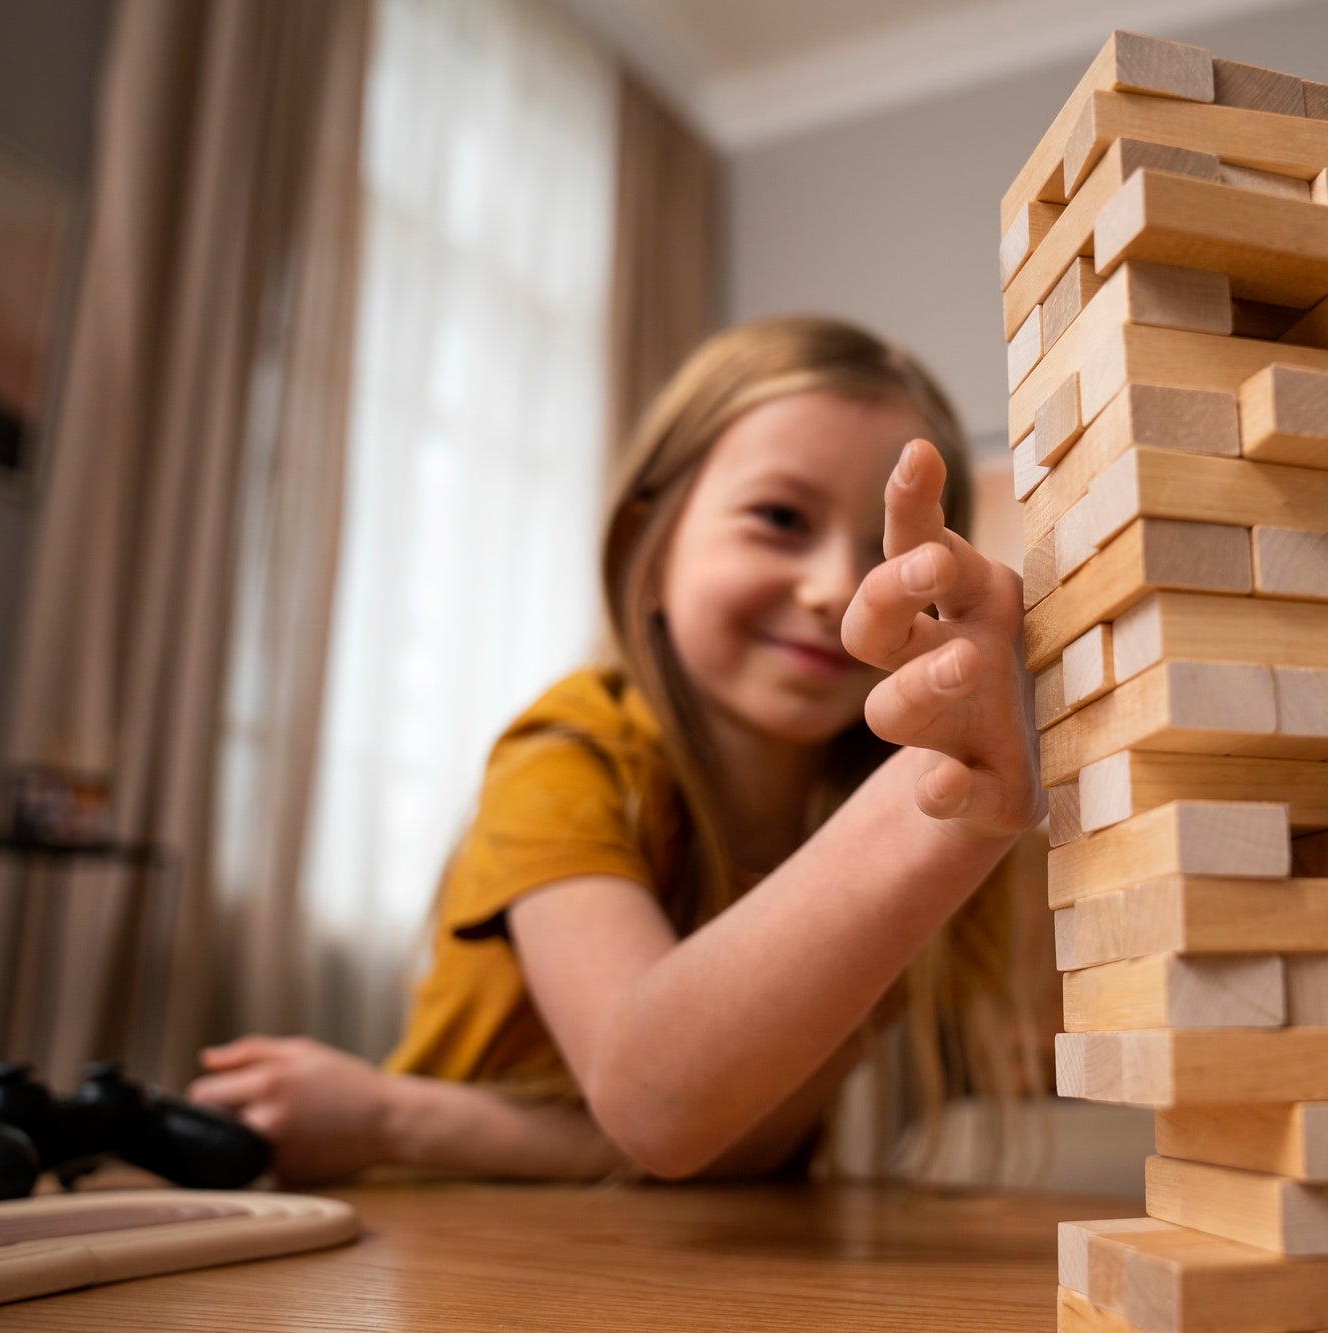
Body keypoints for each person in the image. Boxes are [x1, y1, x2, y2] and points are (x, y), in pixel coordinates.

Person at [188, 317, 1044, 1185]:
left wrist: (393, 1114)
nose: (834, 587)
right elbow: (659, 1106)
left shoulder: (928, 811)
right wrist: (942, 797)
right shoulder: (566, 754)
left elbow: (733, 1141)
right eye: (780, 519)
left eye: (887, 550)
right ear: (646, 539)